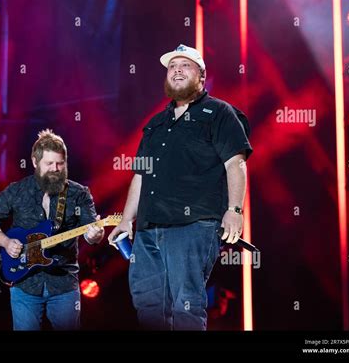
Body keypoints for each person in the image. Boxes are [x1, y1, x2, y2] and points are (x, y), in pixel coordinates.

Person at [108, 44, 253, 330]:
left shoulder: (219, 112)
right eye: (172, 66)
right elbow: (140, 175)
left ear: (201, 75)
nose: (177, 70)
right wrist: (126, 220)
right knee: (148, 305)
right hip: (148, 230)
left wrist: (235, 209)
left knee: (185, 303)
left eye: (185, 65)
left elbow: (235, 164)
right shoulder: (155, 124)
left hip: (194, 225)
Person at [0, 129, 104, 330]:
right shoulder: (17, 190)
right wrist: (5, 242)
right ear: (35, 163)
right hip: (24, 284)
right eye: (49, 164)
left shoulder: (78, 193)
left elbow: (92, 233)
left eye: (60, 163)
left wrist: (95, 234)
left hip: (63, 284)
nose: (56, 169)